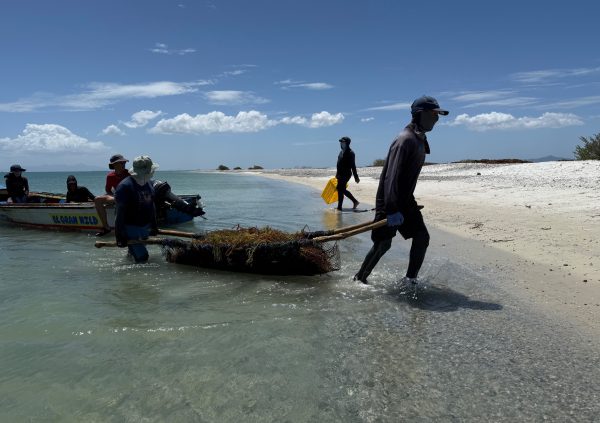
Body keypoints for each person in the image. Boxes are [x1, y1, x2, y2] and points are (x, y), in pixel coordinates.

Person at [354, 95, 449, 288]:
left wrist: (404, 205)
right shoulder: (405, 140)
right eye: (433, 114)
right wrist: (391, 209)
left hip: (406, 201)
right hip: (390, 202)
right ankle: (359, 278)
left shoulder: (420, 139)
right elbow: (391, 177)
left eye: (438, 115)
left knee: (422, 237)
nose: (436, 119)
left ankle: (410, 280)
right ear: (419, 114)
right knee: (383, 244)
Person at [114, 155, 159, 263]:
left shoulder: (148, 183)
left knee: (133, 253)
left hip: (145, 226)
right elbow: (119, 212)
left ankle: (129, 265)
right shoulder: (125, 187)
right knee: (143, 258)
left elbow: (151, 205)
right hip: (131, 227)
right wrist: (119, 235)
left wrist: (154, 224)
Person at [94, 154, 130, 236]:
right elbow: (108, 190)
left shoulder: (129, 174)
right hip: (116, 196)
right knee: (97, 199)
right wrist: (112, 196)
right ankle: (106, 227)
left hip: (128, 197)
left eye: (124, 163)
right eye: (121, 163)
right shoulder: (110, 176)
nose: (124, 164)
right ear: (114, 165)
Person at [336, 136, 360, 211]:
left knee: (340, 188)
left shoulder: (351, 153)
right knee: (340, 190)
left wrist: (356, 177)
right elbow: (338, 164)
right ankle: (339, 207)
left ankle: (355, 201)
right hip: (340, 174)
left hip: (346, 174)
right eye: (341, 142)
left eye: (343, 142)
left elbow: (353, 165)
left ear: (347, 143)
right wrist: (337, 173)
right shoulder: (341, 152)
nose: (341, 143)